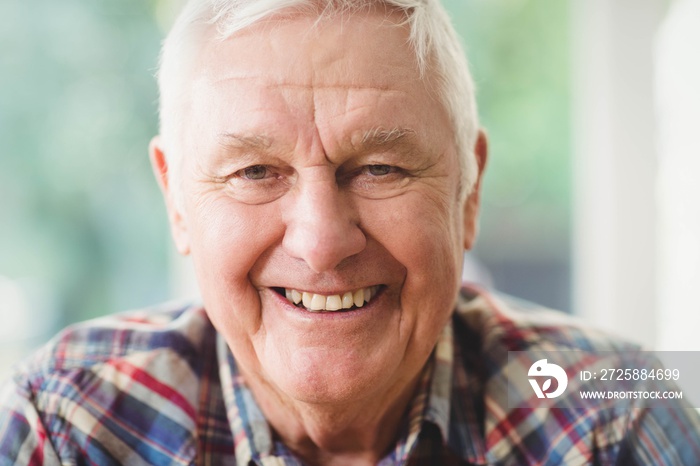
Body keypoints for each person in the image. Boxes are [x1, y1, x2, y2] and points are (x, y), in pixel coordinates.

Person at [1, 0, 699, 464]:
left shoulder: (615, 417)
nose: (322, 241)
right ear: (177, 201)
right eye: (254, 171)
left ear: (468, 192)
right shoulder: (69, 425)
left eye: (381, 167)